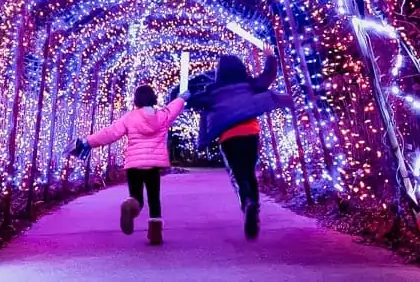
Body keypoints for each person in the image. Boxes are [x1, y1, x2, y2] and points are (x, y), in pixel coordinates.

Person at [70, 84, 187, 245]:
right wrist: (182, 98)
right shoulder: (162, 116)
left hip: (134, 165)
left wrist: (88, 142)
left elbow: (110, 133)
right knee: (154, 199)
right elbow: (173, 108)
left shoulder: (130, 117)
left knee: (136, 196)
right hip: (153, 165)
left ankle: (129, 206)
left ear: (136, 99)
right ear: (153, 98)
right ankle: (155, 235)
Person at [184, 47, 281, 240]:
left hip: (229, 137)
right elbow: (267, 77)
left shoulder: (212, 92)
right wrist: (270, 57)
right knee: (249, 172)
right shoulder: (249, 84)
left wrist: (184, 92)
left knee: (238, 174)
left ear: (220, 72)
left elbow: (191, 102)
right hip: (250, 132)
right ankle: (253, 203)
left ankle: (246, 204)